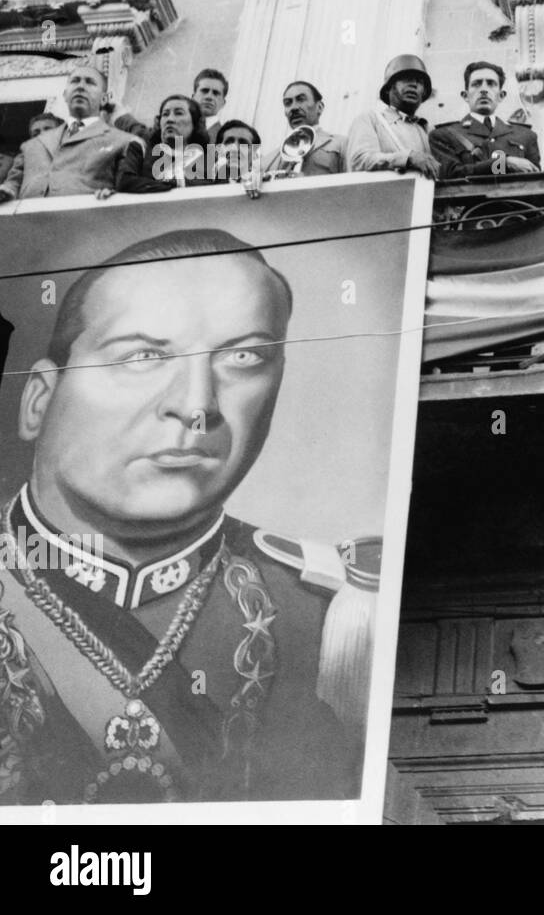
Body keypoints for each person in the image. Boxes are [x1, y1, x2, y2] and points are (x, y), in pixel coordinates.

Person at [0, 229, 365, 804]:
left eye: (244, 357)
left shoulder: (337, 615)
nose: (198, 407)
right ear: (40, 400)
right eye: (143, 356)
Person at [0, 65, 138, 203]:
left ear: (104, 98)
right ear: (65, 95)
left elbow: (126, 184)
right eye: (75, 81)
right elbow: (14, 180)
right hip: (27, 220)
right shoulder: (32, 145)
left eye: (90, 82)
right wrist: (8, 189)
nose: (80, 87)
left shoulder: (120, 141)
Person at [429, 61, 539, 177]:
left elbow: (536, 180)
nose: (484, 90)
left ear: (501, 96)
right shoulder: (444, 135)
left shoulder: (526, 136)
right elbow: (451, 174)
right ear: (465, 96)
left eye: (491, 84)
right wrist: (503, 163)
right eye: (476, 84)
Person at [345, 56, 440, 178]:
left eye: (419, 82)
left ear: (424, 92)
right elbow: (359, 160)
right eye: (406, 79)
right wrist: (408, 158)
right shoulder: (370, 119)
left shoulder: (428, 130)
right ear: (389, 88)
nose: (413, 85)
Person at [114, 94, 212, 194]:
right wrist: (171, 185)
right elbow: (124, 181)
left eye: (179, 113)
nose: (170, 119)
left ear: (195, 124)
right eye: (165, 114)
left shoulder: (211, 161)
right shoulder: (140, 150)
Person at [110, 68, 231, 144]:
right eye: (205, 91)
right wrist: (119, 114)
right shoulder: (171, 121)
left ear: (223, 103)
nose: (209, 96)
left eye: (216, 93)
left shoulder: (225, 137)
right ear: (193, 96)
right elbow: (147, 136)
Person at [263, 81, 346, 177]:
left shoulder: (341, 144)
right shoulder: (271, 159)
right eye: (288, 103)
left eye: (301, 100)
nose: (293, 108)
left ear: (319, 107)